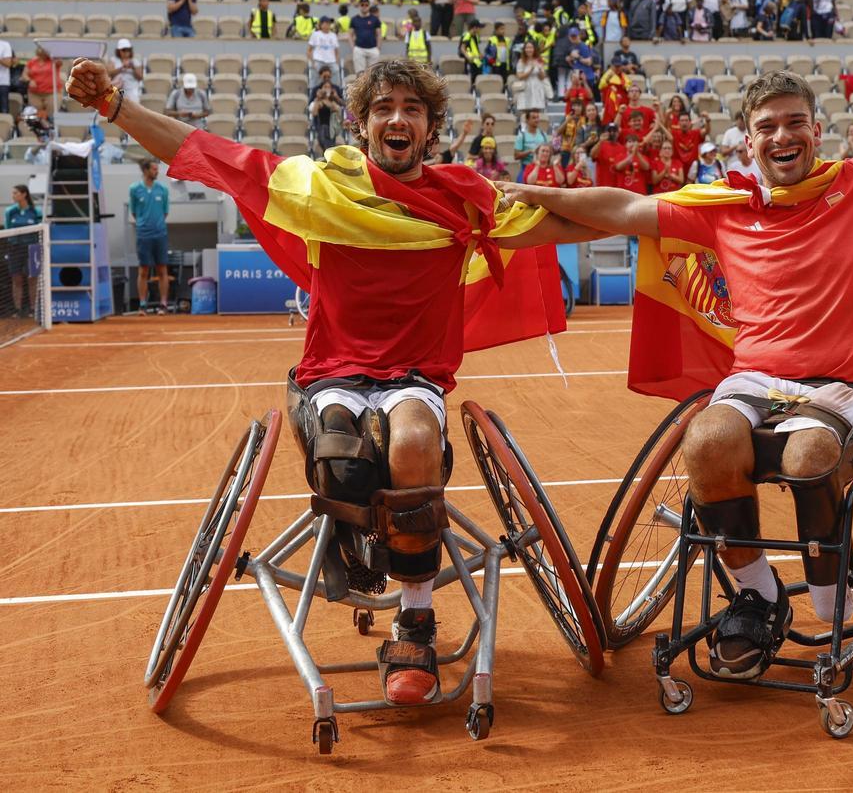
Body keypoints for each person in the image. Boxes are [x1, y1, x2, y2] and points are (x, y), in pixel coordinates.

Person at [498, 0, 853, 677]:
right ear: (747, 143)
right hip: (758, 380)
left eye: (794, 124)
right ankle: (755, 599)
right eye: (766, 128)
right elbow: (621, 210)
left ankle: (824, 591)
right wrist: (522, 196)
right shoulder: (723, 209)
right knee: (707, 441)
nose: (782, 137)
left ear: (818, 131)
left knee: (813, 453)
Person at [66, 55, 595, 707]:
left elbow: (568, 222)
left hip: (413, 377)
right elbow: (206, 151)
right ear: (362, 123)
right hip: (334, 375)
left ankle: (415, 619)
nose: (397, 119)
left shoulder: (466, 199)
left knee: (410, 445)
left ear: (431, 128)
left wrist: (675, 215)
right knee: (342, 452)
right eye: (383, 108)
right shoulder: (320, 187)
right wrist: (116, 106)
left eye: (412, 109)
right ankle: (361, 538)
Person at [128, 159, 171, 315]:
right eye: (154, 169)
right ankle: (142, 304)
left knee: (162, 269)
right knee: (143, 270)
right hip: (143, 234)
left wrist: (156, 224)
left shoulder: (163, 189)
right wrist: (143, 223)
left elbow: (165, 212)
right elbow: (134, 212)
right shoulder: (134, 189)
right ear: (146, 170)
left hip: (160, 234)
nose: (157, 171)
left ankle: (163, 304)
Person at [4, 184, 41, 318]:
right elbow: (7, 230)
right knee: (17, 279)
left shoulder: (36, 211)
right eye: (13, 193)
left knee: (32, 278)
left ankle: (33, 309)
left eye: (15, 193)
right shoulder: (10, 212)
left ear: (24, 194)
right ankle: (18, 310)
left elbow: (40, 231)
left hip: (32, 248)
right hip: (15, 248)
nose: (13, 196)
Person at [22, 45, 62, 113]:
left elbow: (60, 61)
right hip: (34, 93)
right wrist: (29, 81)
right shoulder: (32, 62)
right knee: (36, 115)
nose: (42, 51)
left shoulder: (54, 61)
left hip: (52, 93)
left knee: (51, 115)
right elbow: (24, 75)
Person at [309, 78, 344, 152]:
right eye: (325, 87)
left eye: (329, 87)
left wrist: (335, 96)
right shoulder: (319, 101)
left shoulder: (333, 102)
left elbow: (338, 111)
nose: (327, 89)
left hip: (332, 129)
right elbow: (314, 112)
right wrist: (318, 98)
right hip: (322, 129)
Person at [348, 0, 382, 74]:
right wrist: (353, 48)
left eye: (366, 5)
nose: (364, 6)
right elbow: (350, 34)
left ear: (369, 6)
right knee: (360, 73)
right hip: (359, 49)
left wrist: (378, 47)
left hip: (373, 48)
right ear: (359, 6)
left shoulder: (375, 19)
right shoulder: (354, 19)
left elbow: (379, 34)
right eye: (362, 5)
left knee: (373, 74)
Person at [108, 39, 143, 106]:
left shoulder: (135, 61)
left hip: (131, 89)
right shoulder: (113, 60)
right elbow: (109, 73)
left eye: (128, 50)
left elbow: (140, 77)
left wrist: (133, 68)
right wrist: (121, 68)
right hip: (116, 89)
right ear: (119, 51)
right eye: (124, 50)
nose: (126, 52)